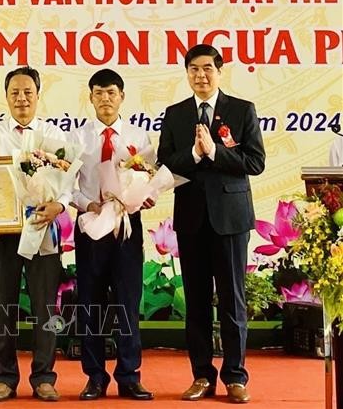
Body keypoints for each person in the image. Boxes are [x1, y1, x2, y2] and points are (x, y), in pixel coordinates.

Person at [157, 44, 265, 404]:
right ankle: (202, 375)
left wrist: (216, 153)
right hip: (191, 220)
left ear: (219, 72)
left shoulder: (241, 109)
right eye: (194, 69)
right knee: (197, 303)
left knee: (233, 301)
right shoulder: (175, 114)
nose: (200, 75)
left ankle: (235, 376)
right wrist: (192, 154)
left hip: (230, 219)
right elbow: (165, 164)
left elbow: (255, 162)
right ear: (186, 73)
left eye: (207, 69)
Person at [0, 66, 68, 402]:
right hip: (3, 233)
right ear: (6, 96)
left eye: (28, 92)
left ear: (37, 94)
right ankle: (5, 377)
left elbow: (67, 180)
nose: (21, 98)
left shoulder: (53, 134)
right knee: (3, 305)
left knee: (46, 306)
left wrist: (59, 205)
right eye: (15, 92)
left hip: (42, 228)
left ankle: (44, 376)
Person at [70, 69, 154, 401]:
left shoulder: (138, 137)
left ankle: (129, 375)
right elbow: (67, 187)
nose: (106, 98)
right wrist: (87, 203)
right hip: (91, 228)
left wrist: (146, 197)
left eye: (111, 93)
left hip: (127, 228)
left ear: (121, 97)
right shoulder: (77, 139)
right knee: (90, 304)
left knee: (127, 302)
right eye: (99, 93)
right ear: (90, 97)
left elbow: (149, 179)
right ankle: (95, 377)